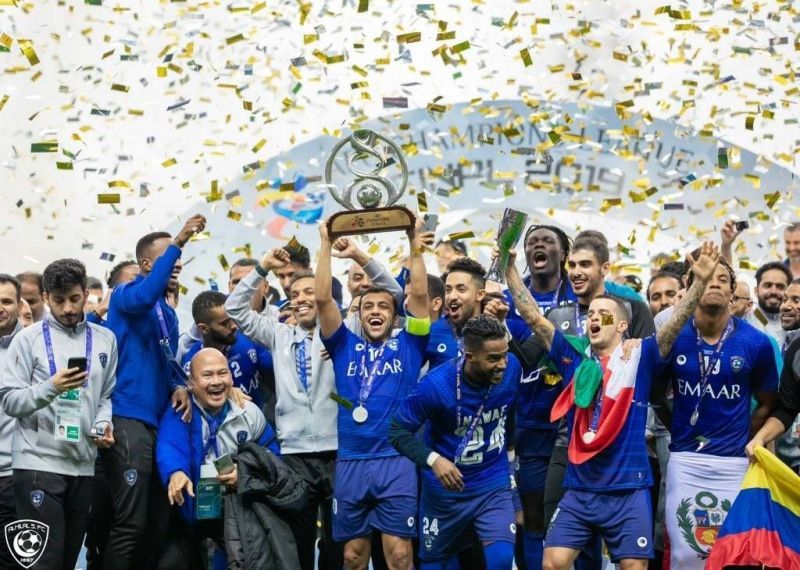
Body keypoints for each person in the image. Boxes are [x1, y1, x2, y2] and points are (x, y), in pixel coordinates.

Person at [509, 243, 721, 570]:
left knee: (634, 567)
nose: (594, 318)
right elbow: (533, 317)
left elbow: (673, 326)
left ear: (622, 325)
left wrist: (699, 285)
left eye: (603, 314)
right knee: (553, 562)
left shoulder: (641, 358)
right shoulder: (573, 359)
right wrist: (510, 268)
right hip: (580, 488)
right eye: (591, 314)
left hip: (628, 489)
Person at [316, 219, 430, 570]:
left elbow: (421, 296)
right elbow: (322, 299)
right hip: (351, 461)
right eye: (369, 307)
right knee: (352, 557)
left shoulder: (410, 344)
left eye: (383, 306)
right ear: (360, 314)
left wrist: (414, 242)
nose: (376, 311)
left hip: (395, 462)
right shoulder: (342, 345)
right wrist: (325, 242)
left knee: (399, 556)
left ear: (395, 316)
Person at [654, 252, 779, 569]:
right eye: (706, 278)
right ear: (691, 285)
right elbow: (654, 391)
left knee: (732, 554)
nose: (714, 285)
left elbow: (767, 402)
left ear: (733, 292)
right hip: (685, 459)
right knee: (686, 552)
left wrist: (745, 438)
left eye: (722, 279)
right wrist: (676, 428)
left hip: (733, 463)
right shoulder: (673, 336)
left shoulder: (756, 343)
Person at [100, 214, 206, 569]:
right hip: (126, 416)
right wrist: (180, 240)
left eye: (178, 260)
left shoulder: (169, 314)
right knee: (131, 522)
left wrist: (178, 385)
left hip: (157, 421)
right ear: (147, 264)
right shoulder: (126, 296)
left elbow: (167, 363)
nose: (177, 264)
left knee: (156, 521)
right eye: (167, 259)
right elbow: (146, 293)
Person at [0, 259, 117, 570]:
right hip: (36, 464)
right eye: (59, 300)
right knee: (42, 564)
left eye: (75, 299)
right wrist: (51, 387)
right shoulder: (28, 339)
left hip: (83, 465)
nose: (68, 308)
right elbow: (10, 401)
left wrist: (102, 423)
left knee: (66, 561)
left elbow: (104, 396)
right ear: (45, 296)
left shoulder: (106, 339)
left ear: (85, 295)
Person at [389, 315, 522, 569]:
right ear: (469, 356)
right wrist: (433, 460)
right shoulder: (436, 386)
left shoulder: (512, 367)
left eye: (504, 354)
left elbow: (510, 404)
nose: (503, 364)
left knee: (502, 559)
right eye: (493, 358)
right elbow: (397, 431)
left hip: (491, 481)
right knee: (434, 565)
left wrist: (511, 449)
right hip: (445, 490)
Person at [155, 348, 282, 569]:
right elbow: (170, 442)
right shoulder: (182, 407)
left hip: (236, 508)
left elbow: (272, 454)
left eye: (222, 373)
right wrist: (176, 472)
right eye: (207, 375)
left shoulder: (248, 412)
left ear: (231, 378)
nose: (216, 381)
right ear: (191, 383)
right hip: (189, 508)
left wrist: (244, 473)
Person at [181, 291, 274, 421]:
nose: (234, 326)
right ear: (203, 329)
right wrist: (225, 391)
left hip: (260, 425)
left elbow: (278, 378)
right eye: (225, 323)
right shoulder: (191, 364)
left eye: (233, 319)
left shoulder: (249, 342)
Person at [546, 236, 655, 339]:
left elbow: (648, 355)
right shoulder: (555, 316)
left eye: (585, 264)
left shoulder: (633, 310)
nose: (576, 272)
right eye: (572, 265)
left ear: (605, 268)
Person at [0, 274, 24, 569]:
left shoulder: (33, 347)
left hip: (14, 475)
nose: (0, 308)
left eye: (6, 301)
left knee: (13, 561)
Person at [750, 261, 792, 345]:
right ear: (756, 291)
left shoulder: (795, 323)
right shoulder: (743, 317)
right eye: (768, 285)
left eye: (780, 287)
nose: (774, 291)